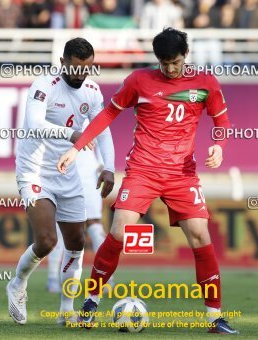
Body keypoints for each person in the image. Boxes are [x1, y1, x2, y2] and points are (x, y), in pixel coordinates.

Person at [57, 27, 238, 335]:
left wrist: (219, 146)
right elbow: (107, 115)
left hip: (182, 174)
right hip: (143, 169)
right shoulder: (139, 81)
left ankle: (215, 317)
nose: (169, 68)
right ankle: (90, 302)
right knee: (120, 229)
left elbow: (221, 120)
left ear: (186, 56)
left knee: (200, 235)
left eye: (175, 62)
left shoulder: (205, 83)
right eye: (163, 62)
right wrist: (76, 148)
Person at [6, 37, 115, 325]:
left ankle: (66, 311)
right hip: (35, 171)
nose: (81, 74)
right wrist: (72, 135)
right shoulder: (44, 86)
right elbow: (34, 124)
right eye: (76, 67)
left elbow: (101, 129)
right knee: (46, 240)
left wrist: (109, 167)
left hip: (68, 172)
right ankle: (17, 284)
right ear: (63, 62)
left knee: (77, 242)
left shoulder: (91, 91)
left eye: (87, 68)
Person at [46, 135, 115, 325]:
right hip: (66, 171)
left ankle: (106, 278)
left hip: (85, 173)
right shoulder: (54, 108)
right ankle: (54, 277)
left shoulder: (92, 108)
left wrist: (102, 163)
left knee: (92, 223)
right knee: (68, 225)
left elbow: (103, 136)